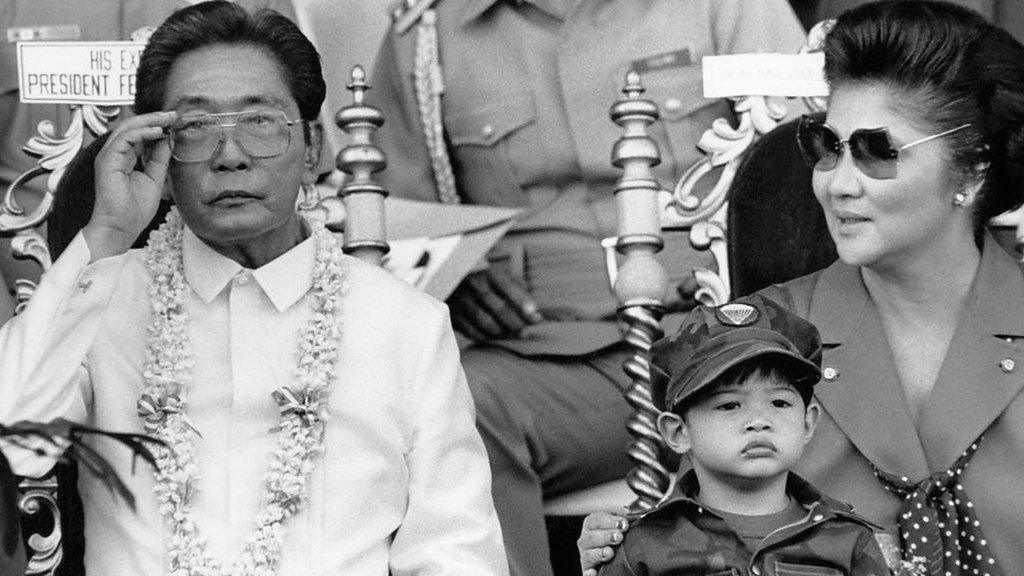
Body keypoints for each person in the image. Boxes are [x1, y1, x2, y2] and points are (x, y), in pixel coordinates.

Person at [0, 2, 508, 575]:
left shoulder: (405, 325)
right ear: (160, 161)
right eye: (194, 128)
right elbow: (15, 428)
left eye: (260, 122)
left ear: (313, 150)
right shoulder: (102, 301)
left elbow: (456, 550)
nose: (231, 156)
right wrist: (106, 233)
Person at [580, 1, 1024, 574]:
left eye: (876, 152)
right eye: (827, 147)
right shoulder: (747, 338)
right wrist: (623, 550)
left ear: (972, 170)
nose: (837, 184)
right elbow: (690, 543)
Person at [369, 2, 810, 574]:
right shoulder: (427, 34)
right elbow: (391, 216)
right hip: (547, 355)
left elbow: (808, 164)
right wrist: (460, 275)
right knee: (451, 407)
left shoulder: (729, 5)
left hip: (722, 338)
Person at [601, 294, 890, 576]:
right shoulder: (642, 546)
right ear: (677, 431)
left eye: (779, 403)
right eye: (729, 405)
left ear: (808, 422)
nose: (759, 421)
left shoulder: (849, 541)